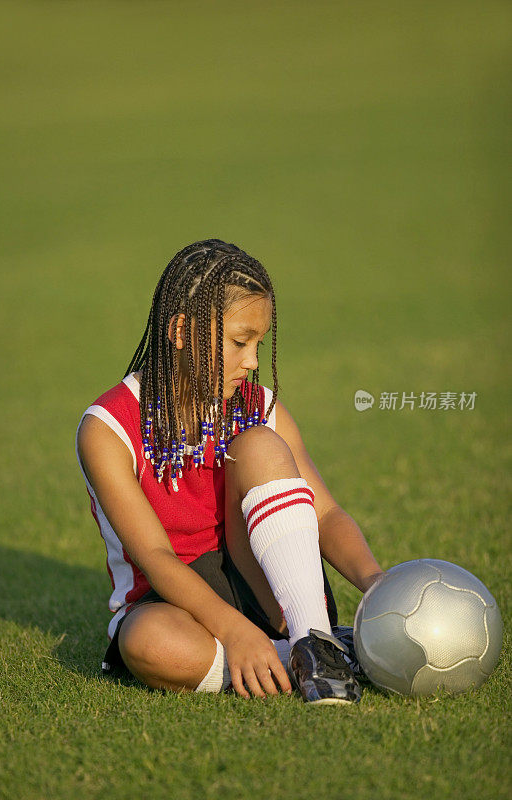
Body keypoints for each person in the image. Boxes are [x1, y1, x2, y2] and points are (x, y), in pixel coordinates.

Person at [76, 239, 384, 705]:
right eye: (240, 342)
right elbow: (156, 557)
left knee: (259, 443)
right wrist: (233, 632)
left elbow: (324, 515)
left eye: (259, 343)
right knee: (146, 643)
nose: (254, 361)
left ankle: (316, 639)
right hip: (174, 598)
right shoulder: (108, 427)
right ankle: (301, 661)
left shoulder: (258, 407)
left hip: (272, 583)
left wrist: (377, 585)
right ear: (181, 330)